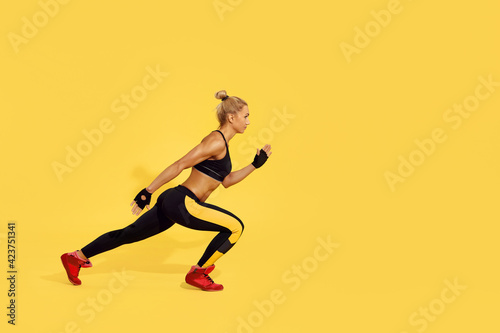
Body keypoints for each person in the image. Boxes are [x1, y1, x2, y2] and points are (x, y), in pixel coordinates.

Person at [60, 90, 272, 291]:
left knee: (129, 234)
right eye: (246, 116)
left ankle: (76, 257)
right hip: (184, 202)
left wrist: (255, 165)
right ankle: (198, 273)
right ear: (232, 118)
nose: (249, 121)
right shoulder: (215, 141)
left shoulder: (222, 144)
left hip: (175, 201)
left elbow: (226, 180)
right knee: (236, 227)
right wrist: (147, 191)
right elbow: (180, 164)